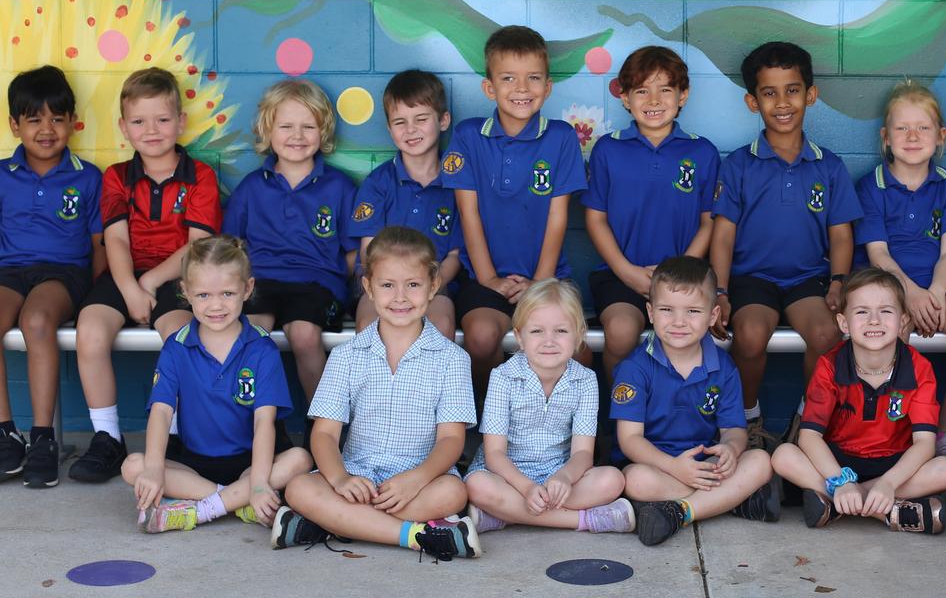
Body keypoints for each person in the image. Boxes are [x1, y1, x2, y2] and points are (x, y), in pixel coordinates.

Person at [273, 227, 480, 561]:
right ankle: (415, 535)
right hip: (357, 475)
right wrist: (340, 478)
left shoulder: (452, 359)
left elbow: (451, 441)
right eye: (387, 285)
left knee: (455, 491)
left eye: (413, 284)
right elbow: (325, 433)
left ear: (433, 287)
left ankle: (334, 524)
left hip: (420, 479)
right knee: (299, 487)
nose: (400, 297)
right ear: (368, 287)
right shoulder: (346, 356)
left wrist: (416, 478)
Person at [70, 67, 222, 483]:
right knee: (90, 331)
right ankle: (107, 437)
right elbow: (115, 241)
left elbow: (196, 247)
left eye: (162, 119)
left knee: (182, 338)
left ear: (181, 122)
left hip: (180, 277)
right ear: (124, 127)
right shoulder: (117, 176)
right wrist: (129, 288)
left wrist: (151, 283)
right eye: (139, 121)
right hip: (125, 274)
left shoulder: (201, 176)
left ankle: (174, 435)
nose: (151, 130)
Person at [710, 42, 859, 449]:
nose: (782, 103)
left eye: (792, 90)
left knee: (829, 335)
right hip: (752, 279)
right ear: (752, 101)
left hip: (807, 279)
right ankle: (748, 420)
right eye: (769, 92)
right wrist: (720, 291)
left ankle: (804, 425)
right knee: (752, 335)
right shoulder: (739, 163)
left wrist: (838, 281)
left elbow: (841, 234)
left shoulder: (827, 165)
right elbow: (722, 234)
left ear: (810, 95)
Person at [121, 236, 311, 532]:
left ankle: (202, 510)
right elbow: (161, 411)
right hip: (195, 462)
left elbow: (264, 422)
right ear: (186, 292)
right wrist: (156, 468)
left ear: (247, 289)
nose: (216, 306)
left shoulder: (261, 348)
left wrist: (259, 482)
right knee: (134, 466)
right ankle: (238, 501)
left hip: (252, 461)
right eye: (204, 295)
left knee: (299, 458)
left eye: (227, 293)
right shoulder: (177, 346)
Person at [441, 26, 588, 402]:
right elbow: (468, 215)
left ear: (548, 86)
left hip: (548, 277)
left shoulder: (560, 138)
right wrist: (489, 278)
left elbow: (559, 219)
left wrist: (539, 284)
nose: (521, 88)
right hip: (485, 277)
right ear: (490, 88)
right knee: (481, 336)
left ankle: (572, 434)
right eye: (508, 78)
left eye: (533, 78)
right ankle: (486, 426)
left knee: (575, 345)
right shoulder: (469, 136)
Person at [855, 80, 946, 473]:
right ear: (885, 137)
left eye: (923, 128)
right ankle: (887, 439)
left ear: (941, 136)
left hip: (940, 287)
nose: (912, 137)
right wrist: (909, 295)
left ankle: (944, 435)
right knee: (883, 337)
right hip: (887, 288)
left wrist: (933, 292)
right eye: (902, 128)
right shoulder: (872, 186)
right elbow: (878, 255)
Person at [772, 268, 946, 534]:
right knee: (783, 456)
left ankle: (836, 505)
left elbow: (925, 444)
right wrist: (841, 482)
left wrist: (889, 483)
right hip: (838, 460)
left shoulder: (919, 368)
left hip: (894, 462)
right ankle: (885, 512)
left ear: (903, 320)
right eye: (861, 312)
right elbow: (809, 437)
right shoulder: (829, 365)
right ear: (843, 323)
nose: (874, 321)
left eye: (886, 311)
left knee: (945, 470)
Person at [612, 256, 778, 546]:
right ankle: (731, 501)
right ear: (650, 312)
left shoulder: (723, 367)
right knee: (634, 480)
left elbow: (734, 429)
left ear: (712, 316)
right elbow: (630, 441)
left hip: (705, 466)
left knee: (761, 461)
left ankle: (679, 510)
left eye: (692, 311)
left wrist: (730, 448)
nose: (679, 322)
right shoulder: (635, 368)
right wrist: (674, 466)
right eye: (666, 310)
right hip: (657, 465)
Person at [584, 46, 719, 383]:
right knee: (620, 332)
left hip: (684, 280)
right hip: (620, 276)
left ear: (683, 95)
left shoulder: (702, 151)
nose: (654, 100)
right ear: (626, 99)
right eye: (642, 91)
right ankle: (617, 421)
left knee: (689, 337)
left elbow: (709, 223)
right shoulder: (608, 149)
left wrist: (676, 276)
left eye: (666, 90)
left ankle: (672, 422)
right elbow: (595, 219)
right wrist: (627, 272)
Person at [223, 79, 357, 404]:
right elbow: (230, 247)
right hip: (262, 282)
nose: (297, 136)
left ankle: (324, 425)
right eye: (286, 126)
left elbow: (355, 253)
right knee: (249, 335)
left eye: (308, 126)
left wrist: (340, 283)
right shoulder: (252, 187)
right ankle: (256, 424)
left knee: (304, 334)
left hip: (316, 283)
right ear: (268, 131)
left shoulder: (339, 186)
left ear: (323, 131)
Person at [0, 66, 103, 487]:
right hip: (8, 272)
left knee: (37, 321)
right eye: (34, 119)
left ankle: (43, 438)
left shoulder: (88, 177)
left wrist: (96, 298)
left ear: (73, 123)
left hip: (63, 276)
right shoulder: (2, 175)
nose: (47, 129)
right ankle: (6, 433)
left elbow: (98, 246)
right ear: (14, 125)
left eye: (57, 119)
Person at [465, 279, 633, 535]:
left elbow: (583, 454)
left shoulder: (585, 380)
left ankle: (505, 516)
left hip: (559, 474)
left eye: (561, 331)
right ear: (520, 337)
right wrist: (526, 488)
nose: (549, 341)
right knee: (477, 485)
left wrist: (564, 477)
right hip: (508, 476)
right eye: (537, 331)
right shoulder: (503, 377)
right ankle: (585, 521)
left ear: (578, 335)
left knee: (613, 480)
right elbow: (495, 455)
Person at [349, 69, 461, 338]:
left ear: (444, 120)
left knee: (440, 325)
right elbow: (368, 254)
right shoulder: (378, 183)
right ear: (389, 129)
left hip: (435, 287)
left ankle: (432, 383)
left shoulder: (458, 184)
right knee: (369, 327)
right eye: (400, 122)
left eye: (421, 119)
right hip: (381, 286)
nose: (410, 130)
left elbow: (456, 256)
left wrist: (427, 288)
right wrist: (387, 289)